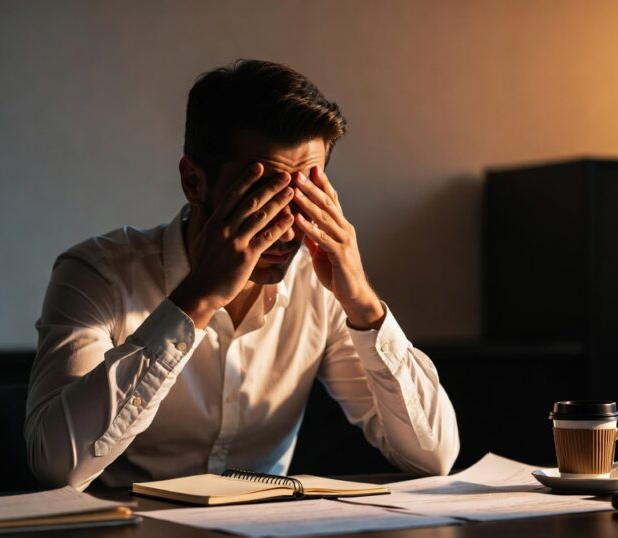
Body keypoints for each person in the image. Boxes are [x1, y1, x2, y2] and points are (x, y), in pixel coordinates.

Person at [25, 59, 459, 490]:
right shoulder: (98, 274)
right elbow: (58, 467)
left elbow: (433, 456)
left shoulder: (319, 285)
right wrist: (194, 301)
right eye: (263, 191)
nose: (289, 223)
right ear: (194, 183)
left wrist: (363, 302)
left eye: (307, 191)